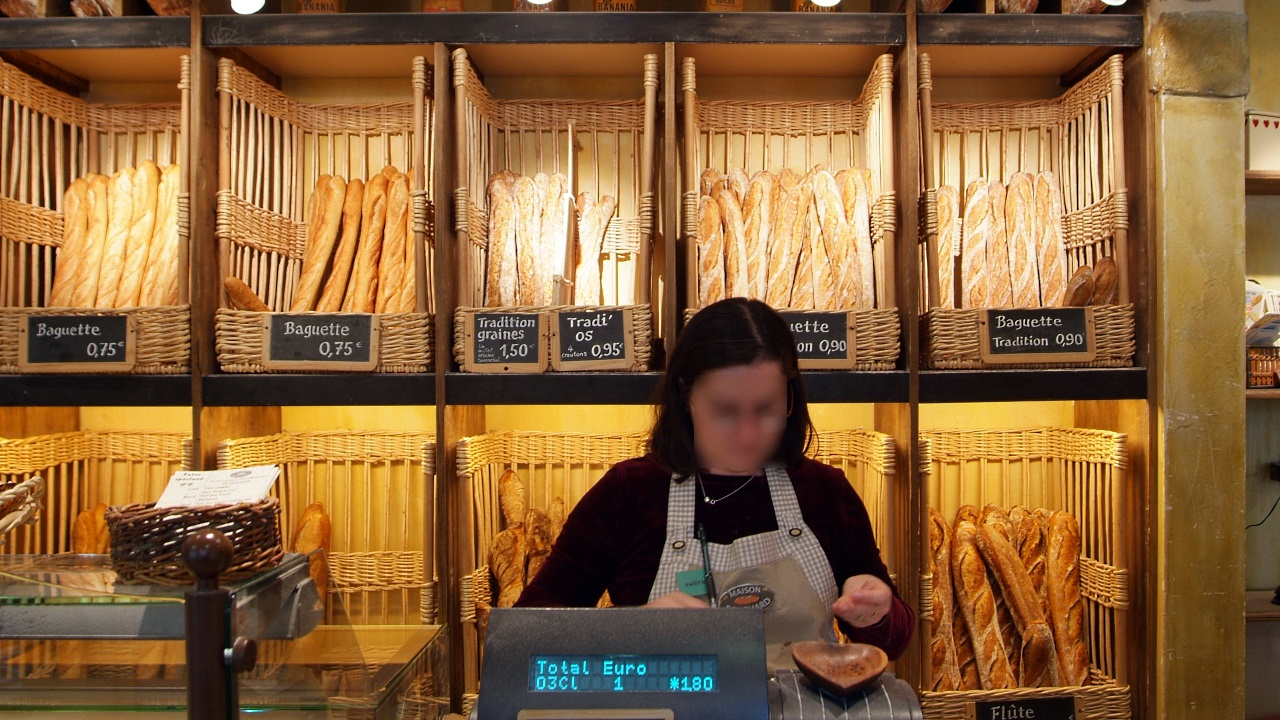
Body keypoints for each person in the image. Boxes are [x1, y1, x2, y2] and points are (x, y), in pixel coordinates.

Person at [516, 297, 914, 667]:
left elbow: (892, 641)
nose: (747, 433)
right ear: (687, 396)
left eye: (766, 409)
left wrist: (878, 611)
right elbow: (525, 636)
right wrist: (632, 631)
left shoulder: (824, 491)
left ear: (790, 398)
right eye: (725, 411)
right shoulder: (629, 492)